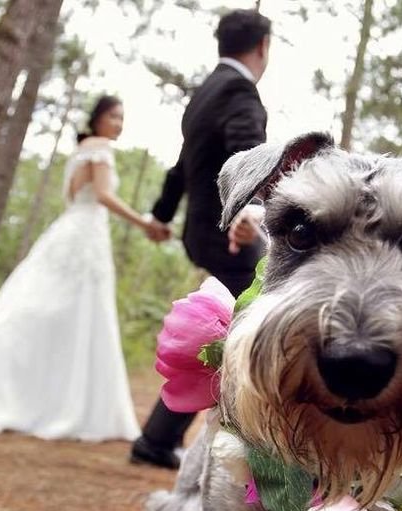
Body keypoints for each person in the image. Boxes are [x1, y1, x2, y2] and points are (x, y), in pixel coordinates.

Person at [130, 8, 271, 470]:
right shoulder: (239, 92)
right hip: (229, 231)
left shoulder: (206, 91)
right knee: (250, 319)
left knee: (227, 328)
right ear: (263, 46)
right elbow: (244, 150)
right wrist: (249, 212)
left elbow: (180, 164)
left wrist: (161, 214)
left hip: (205, 229)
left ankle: (160, 438)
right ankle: (171, 440)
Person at [0, 95, 161, 441]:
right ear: (97, 119)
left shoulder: (80, 150)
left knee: (45, 307)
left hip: (68, 229)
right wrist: (144, 224)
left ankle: (37, 391)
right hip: (85, 233)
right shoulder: (100, 148)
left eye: (123, 118)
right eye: (114, 116)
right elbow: (105, 195)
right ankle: (61, 399)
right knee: (74, 311)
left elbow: (75, 195)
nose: (119, 124)